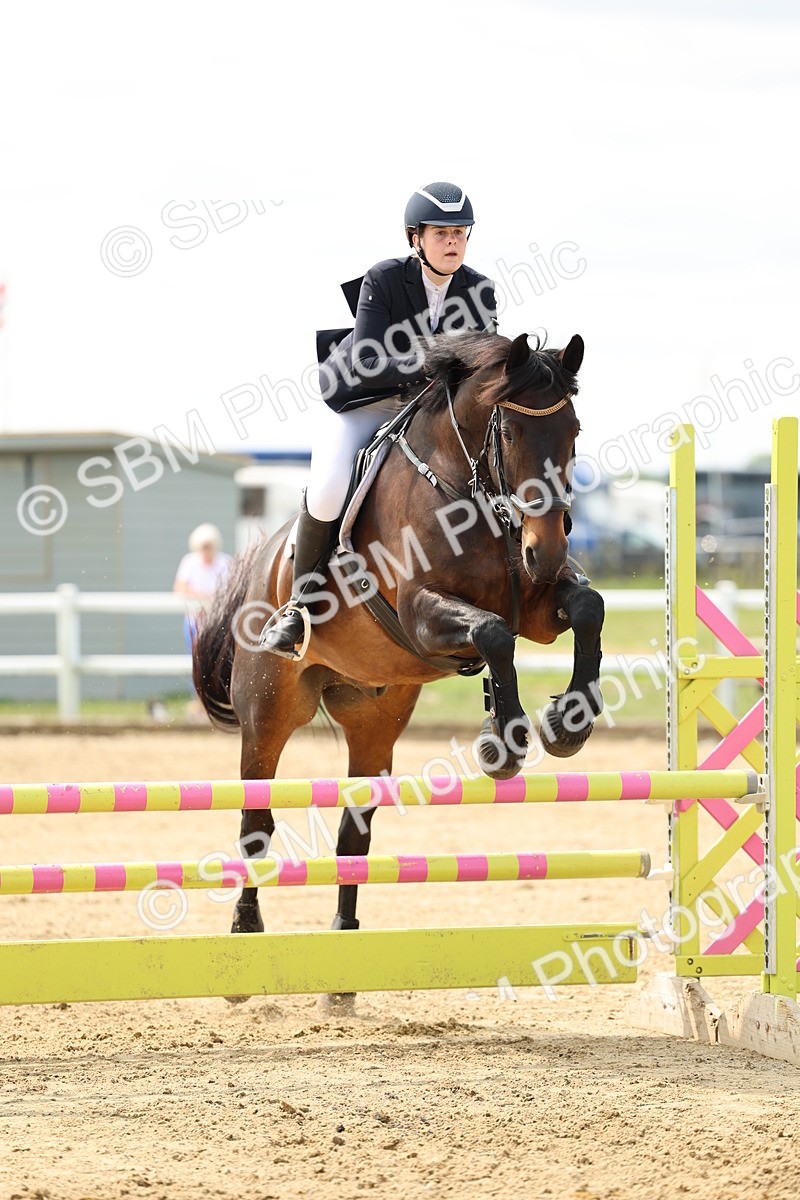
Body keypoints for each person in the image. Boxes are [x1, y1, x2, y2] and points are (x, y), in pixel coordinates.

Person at [261, 181, 498, 658]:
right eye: (441, 233)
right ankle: (298, 607)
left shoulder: (479, 289)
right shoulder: (386, 278)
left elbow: (483, 369)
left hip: (428, 412)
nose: (452, 241)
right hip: (364, 402)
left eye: (460, 232)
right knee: (328, 490)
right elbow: (369, 359)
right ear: (416, 238)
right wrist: (440, 362)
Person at [173, 522, 232, 659]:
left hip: (218, 621)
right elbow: (180, 587)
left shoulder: (224, 561)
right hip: (194, 621)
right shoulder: (189, 561)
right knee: (195, 659)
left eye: (209, 546)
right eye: (203, 546)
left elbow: (230, 589)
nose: (206, 550)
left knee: (217, 659)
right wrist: (203, 598)